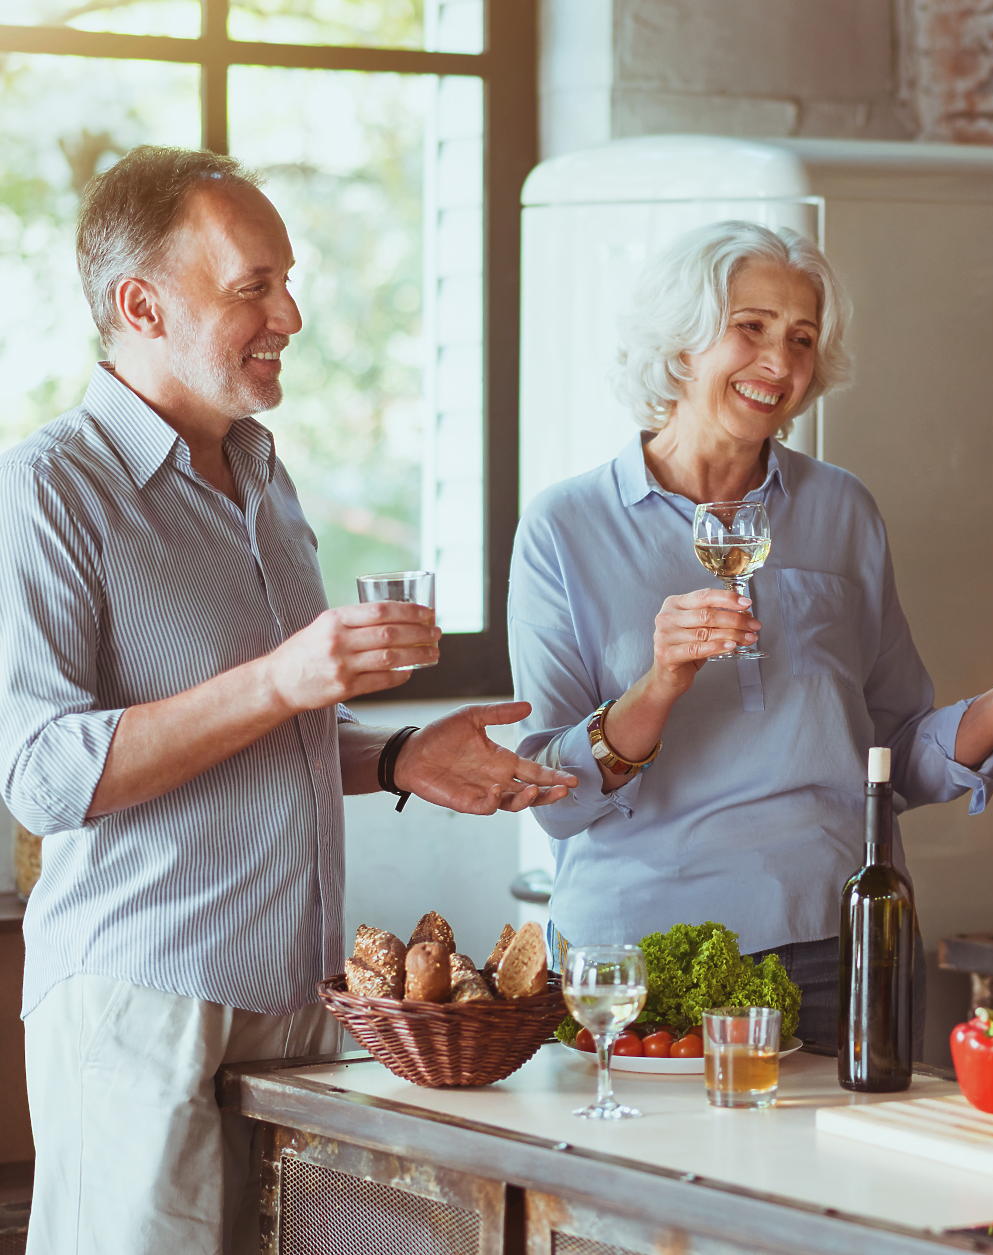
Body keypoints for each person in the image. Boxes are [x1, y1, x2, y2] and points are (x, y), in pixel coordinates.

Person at [0, 146, 578, 1255]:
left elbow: (271, 730)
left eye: (289, 279)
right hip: (144, 997)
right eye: (252, 286)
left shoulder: (263, 474)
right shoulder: (49, 489)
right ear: (142, 305)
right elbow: (41, 776)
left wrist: (398, 753)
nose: (292, 314)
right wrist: (281, 678)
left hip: (298, 999)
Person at [509, 220, 993, 1047]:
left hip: (833, 941)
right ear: (679, 346)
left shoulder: (841, 509)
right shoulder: (566, 526)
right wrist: (661, 681)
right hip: (638, 952)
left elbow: (888, 756)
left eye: (802, 338)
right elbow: (545, 793)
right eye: (751, 328)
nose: (780, 364)